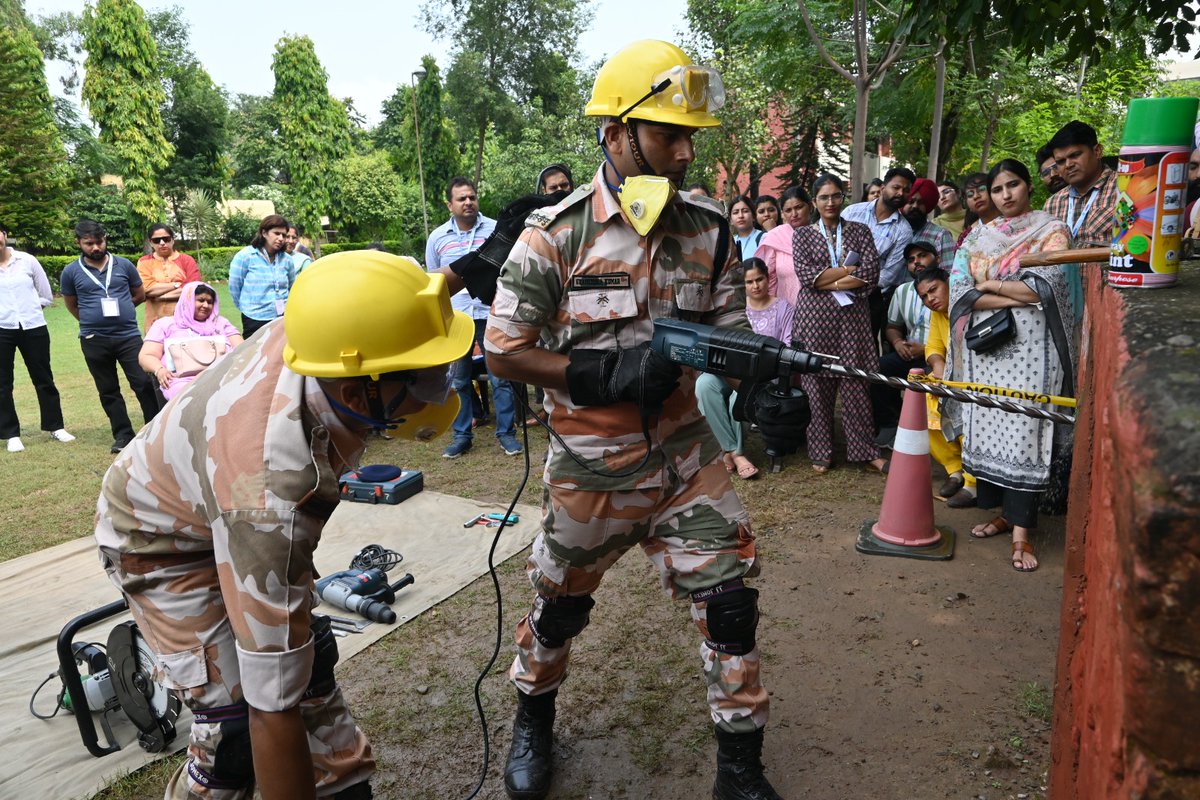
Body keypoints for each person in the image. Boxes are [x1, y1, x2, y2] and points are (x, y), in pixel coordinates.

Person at [485, 39, 795, 800]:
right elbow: (503, 351)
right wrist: (604, 372)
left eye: (691, 136)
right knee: (558, 610)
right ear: (617, 131)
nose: (686, 152)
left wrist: (757, 366)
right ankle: (533, 718)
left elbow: (729, 327)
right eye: (668, 134)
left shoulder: (710, 229)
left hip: (688, 464)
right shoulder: (554, 236)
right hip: (592, 470)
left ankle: (740, 765)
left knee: (730, 603)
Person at [95, 252, 472, 800]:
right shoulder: (273, 488)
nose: (443, 380)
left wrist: (473, 266)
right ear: (356, 389)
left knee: (307, 667)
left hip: (222, 500)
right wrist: (275, 661)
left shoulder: (325, 332)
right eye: (427, 370)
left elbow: (379, 309)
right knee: (237, 733)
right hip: (161, 541)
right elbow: (273, 708)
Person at [947, 158, 1075, 572]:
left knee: (1026, 430)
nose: (1005, 195)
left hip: (1034, 349)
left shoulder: (1051, 230)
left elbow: (1049, 289)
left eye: (1013, 185)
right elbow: (959, 293)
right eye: (998, 188)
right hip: (986, 347)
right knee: (990, 424)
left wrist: (989, 285)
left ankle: (1022, 533)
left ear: (1028, 187)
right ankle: (1003, 514)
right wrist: (1011, 292)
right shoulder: (976, 237)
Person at [792, 173, 889, 475]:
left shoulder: (860, 231)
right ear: (814, 202)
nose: (830, 202)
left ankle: (865, 450)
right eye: (824, 197)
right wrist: (846, 270)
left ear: (843, 197)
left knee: (855, 382)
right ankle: (821, 452)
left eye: (835, 196)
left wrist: (830, 280)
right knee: (816, 383)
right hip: (814, 321)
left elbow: (870, 274)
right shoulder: (803, 235)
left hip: (852, 319)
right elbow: (807, 276)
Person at [426, 176, 522, 458]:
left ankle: (507, 435)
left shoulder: (496, 230)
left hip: (493, 314)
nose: (468, 202)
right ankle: (462, 435)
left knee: (500, 378)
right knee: (457, 381)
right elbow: (435, 281)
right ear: (449, 204)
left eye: (472, 196)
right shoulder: (437, 238)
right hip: (455, 320)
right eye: (461, 198)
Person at [60, 219, 161, 453]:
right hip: (94, 339)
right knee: (108, 389)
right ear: (79, 243)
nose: (95, 247)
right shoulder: (71, 272)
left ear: (105, 239)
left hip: (128, 336)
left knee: (144, 383)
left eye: (99, 242)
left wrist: (121, 311)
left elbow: (139, 295)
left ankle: (154, 429)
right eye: (89, 244)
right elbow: (72, 305)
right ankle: (123, 435)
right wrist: (92, 321)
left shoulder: (124, 265)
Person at [697, 258, 794, 481]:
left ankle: (735, 453)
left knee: (737, 399)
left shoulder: (784, 308)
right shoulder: (733, 311)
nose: (755, 286)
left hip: (765, 377)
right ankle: (730, 449)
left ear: (768, 279)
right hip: (728, 369)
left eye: (759, 279)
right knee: (704, 385)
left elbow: (787, 347)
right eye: (749, 282)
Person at [0, 222, 74, 452]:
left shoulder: (27, 260)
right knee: (3, 383)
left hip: (33, 326)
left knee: (43, 378)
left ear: (4, 235)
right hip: (2, 329)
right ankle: (11, 433)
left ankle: (55, 426)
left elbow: (44, 293)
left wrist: (31, 310)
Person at [1044, 119, 1117, 318]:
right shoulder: (1052, 204)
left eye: (1075, 155)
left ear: (1097, 151)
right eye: (1060, 161)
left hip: (1107, 305)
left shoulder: (1124, 191)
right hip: (1062, 309)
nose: (1068, 165)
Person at [917, 266, 977, 507]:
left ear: (949, 283)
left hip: (976, 379)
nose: (930, 299)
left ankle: (974, 483)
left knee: (964, 405)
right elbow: (932, 347)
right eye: (924, 296)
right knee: (919, 396)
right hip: (951, 377)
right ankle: (954, 469)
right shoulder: (937, 314)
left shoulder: (968, 306)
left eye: (933, 290)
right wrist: (938, 366)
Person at [871, 240, 938, 443]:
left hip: (942, 356)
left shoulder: (950, 287)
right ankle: (890, 424)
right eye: (911, 260)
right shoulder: (902, 291)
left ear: (937, 259)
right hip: (910, 355)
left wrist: (927, 349)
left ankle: (939, 436)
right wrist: (898, 342)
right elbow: (892, 327)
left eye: (922, 256)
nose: (916, 262)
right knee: (877, 368)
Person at [138, 281, 244, 400]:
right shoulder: (165, 324)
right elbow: (146, 355)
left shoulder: (221, 323)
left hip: (221, 376)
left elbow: (242, 349)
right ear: (187, 300)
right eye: (201, 300)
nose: (205, 305)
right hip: (180, 381)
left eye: (210, 302)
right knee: (190, 396)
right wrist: (160, 370)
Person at [843, 167, 915, 341]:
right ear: (883, 188)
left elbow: (887, 276)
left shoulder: (904, 231)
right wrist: (837, 281)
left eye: (906, 190)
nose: (900, 193)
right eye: (896, 187)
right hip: (832, 287)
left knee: (863, 349)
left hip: (869, 297)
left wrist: (850, 282)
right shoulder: (852, 212)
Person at [229, 214, 295, 338]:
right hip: (254, 317)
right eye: (276, 233)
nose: (281, 238)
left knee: (279, 354)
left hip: (281, 317)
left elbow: (292, 287)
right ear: (264, 233)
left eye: (284, 235)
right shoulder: (245, 256)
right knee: (254, 355)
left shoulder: (287, 260)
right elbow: (234, 286)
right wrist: (247, 307)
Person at [136, 223, 201, 333]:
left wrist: (160, 296)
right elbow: (146, 289)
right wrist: (177, 285)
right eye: (157, 240)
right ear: (151, 243)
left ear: (172, 240)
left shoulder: (186, 260)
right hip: (155, 323)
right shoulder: (144, 262)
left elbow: (193, 289)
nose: (162, 243)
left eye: (166, 239)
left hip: (185, 322)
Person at [754, 185, 811, 306]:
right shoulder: (775, 237)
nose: (794, 214)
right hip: (786, 312)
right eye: (788, 210)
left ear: (810, 206)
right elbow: (769, 280)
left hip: (820, 311)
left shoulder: (822, 234)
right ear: (783, 213)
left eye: (799, 207)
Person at [904, 177, 957, 269]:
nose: (915, 206)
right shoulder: (893, 229)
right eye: (911, 201)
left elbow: (948, 273)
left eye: (921, 202)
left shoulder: (940, 235)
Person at [957, 172, 999, 248]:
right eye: (970, 194)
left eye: (982, 189)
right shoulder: (968, 235)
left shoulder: (1015, 221)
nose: (976, 196)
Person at [728, 193, 763, 259]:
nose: (740, 216)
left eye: (745, 211)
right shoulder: (730, 244)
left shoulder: (763, 238)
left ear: (753, 216)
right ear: (731, 220)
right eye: (735, 212)